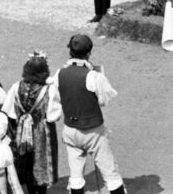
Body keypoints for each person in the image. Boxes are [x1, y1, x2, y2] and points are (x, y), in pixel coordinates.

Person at [48, 35, 124, 194]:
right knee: (110, 173)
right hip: (93, 131)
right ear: (89, 53)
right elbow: (105, 100)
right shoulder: (94, 76)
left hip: (70, 129)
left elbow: (55, 103)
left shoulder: (59, 74)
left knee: (75, 175)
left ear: (70, 52)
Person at [0, 54, 59, 194]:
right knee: (41, 161)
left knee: (26, 161)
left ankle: (30, 190)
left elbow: (8, 111)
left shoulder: (16, 87)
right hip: (41, 131)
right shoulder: (49, 90)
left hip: (21, 131)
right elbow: (53, 116)